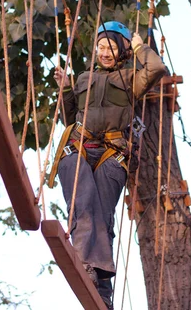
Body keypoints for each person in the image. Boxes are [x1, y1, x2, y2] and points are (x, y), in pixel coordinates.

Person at [49, 21, 166, 309]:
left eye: (111, 47)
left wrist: (139, 46)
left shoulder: (131, 79)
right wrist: (65, 89)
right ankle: (87, 264)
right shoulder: (83, 78)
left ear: (123, 50)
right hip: (78, 145)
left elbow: (156, 69)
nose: (104, 52)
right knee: (83, 199)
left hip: (112, 152)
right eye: (101, 46)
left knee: (101, 214)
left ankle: (100, 282)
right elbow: (69, 117)